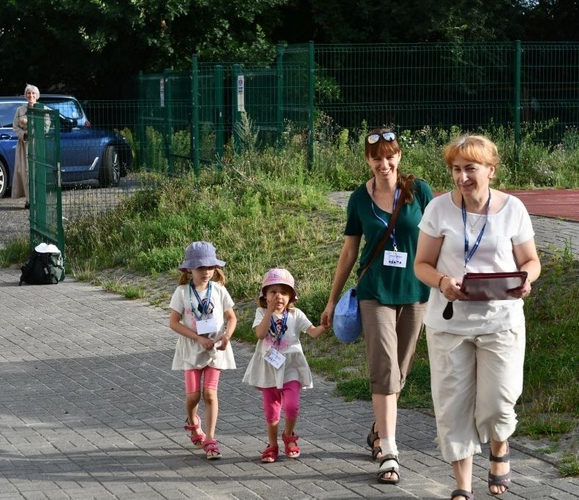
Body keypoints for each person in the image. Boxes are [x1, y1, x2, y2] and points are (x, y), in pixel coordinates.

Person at [413, 135, 541, 500]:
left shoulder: (513, 208)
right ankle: (463, 486)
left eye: (470, 168)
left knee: (499, 402)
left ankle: (499, 448)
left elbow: (531, 261)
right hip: (449, 323)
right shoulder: (437, 209)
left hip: (501, 320)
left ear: (491, 170)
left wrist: (526, 280)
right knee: (452, 406)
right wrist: (441, 281)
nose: (462, 177)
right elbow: (421, 264)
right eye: (456, 169)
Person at [320, 129, 433, 484]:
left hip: (416, 292)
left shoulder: (420, 192)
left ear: (399, 156)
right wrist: (332, 297)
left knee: (399, 371)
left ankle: (377, 429)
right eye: (376, 158)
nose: (384, 164)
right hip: (375, 292)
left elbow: (439, 238)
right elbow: (350, 251)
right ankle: (389, 450)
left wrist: (446, 283)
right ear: (367, 161)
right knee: (384, 369)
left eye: (390, 157)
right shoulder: (358, 199)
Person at [243, 268, 328, 464]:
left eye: (284, 292)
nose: (278, 296)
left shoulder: (296, 314)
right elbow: (260, 334)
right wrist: (269, 312)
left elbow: (313, 332)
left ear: (291, 297)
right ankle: (272, 445)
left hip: (291, 368)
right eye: (273, 292)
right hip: (269, 369)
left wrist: (326, 325)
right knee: (272, 412)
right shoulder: (261, 313)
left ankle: (289, 435)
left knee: (291, 406)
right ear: (264, 296)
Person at [168, 241, 237, 460]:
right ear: (189, 269)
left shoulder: (219, 290)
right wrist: (197, 338)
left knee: (209, 393)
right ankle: (192, 421)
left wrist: (227, 336)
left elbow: (231, 317)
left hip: (215, 349)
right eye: (200, 268)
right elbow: (174, 322)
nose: (206, 272)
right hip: (191, 350)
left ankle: (210, 438)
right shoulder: (181, 292)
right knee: (193, 397)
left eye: (210, 267)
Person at [11, 84, 41, 209]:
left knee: (36, 172)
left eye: (33, 93)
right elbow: (15, 127)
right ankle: (29, 200)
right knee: (25, 172)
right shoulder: (20, 110)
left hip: (38, 145)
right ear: (25, 95)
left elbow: (45, 126)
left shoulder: (42, 109)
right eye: (29, 93)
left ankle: (38, 200)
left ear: (37, 96)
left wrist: (32, 130)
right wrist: (24, 134)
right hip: (24, 145)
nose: (31, 96)